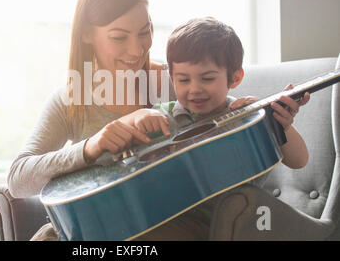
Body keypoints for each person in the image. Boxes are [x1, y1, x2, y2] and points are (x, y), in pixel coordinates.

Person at [7, 0, 175, 240]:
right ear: (87, 35)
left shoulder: (172, 84)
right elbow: (17, 180)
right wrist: (89, 148)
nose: (137, 50)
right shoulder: (71, 100)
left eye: (145, 32)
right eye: (119, 37)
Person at [117, 16, 310, 240]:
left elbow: (299, 160)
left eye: (207, 78)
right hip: (171, 217)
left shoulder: (247, 116)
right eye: (183, 80)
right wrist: (138, 122)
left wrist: (280, 125)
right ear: (172, 78)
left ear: (235, 77)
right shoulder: (163, 116)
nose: (195, 89)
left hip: (227, 224)